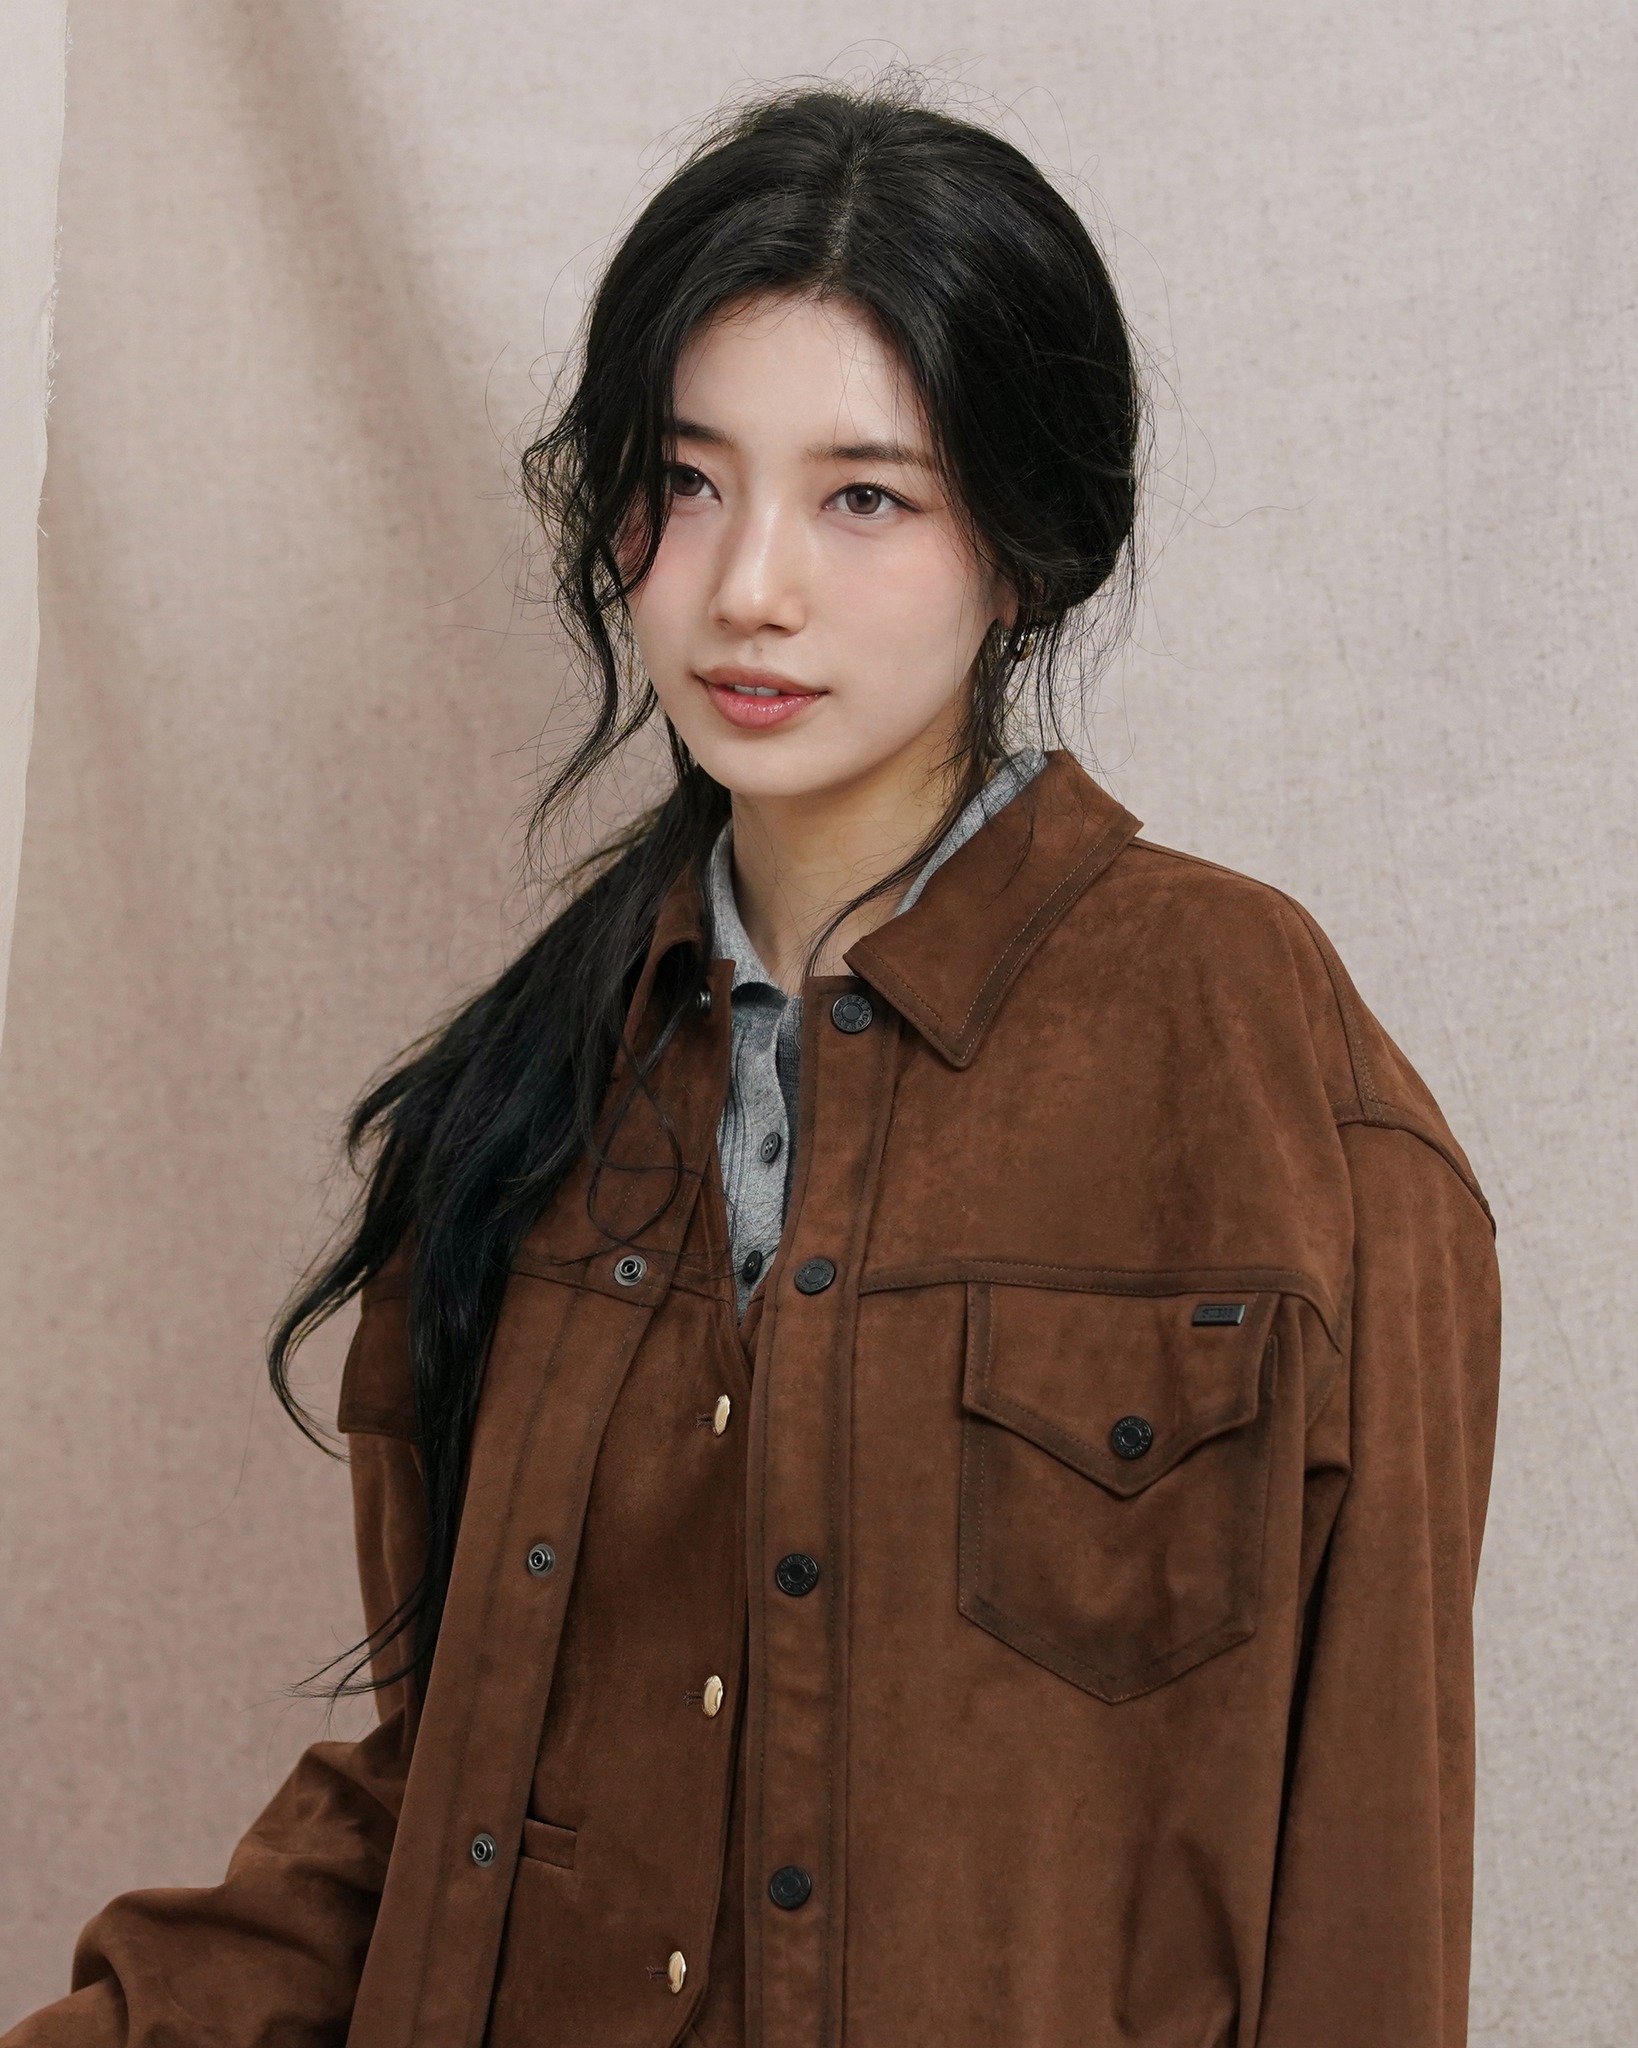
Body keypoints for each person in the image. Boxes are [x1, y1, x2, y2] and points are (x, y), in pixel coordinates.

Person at [6, 82, 1500, 2048]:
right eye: (688, 482)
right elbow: (436, 1808)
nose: (746, 586)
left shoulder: (1255, 1056)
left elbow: (1367, 1864)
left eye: (863, 496)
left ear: (1024, 547)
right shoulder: (526, 1104)